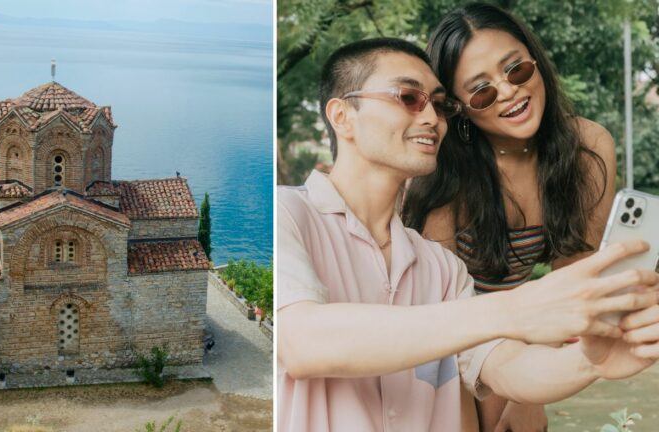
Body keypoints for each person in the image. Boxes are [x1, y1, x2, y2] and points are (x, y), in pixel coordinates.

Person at [277, 37, 659, 432]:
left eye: (440, 105)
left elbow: (504, 366)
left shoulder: (442, 269)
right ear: (342, 116)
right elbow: (302, 341)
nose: (431, 119)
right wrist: (513, 310)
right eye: (408, 97)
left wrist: (589, 362)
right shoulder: (287, 214)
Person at [403, 4, 616, 430]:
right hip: (441, 335)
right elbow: (443, 309)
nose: (509, 92)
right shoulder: (445, 172)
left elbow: (575, 281)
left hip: (525, 335)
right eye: (482, 91)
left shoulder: (587, 149)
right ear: (460, 107)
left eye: (515, 70)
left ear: (535, 60)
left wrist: (529, 395)